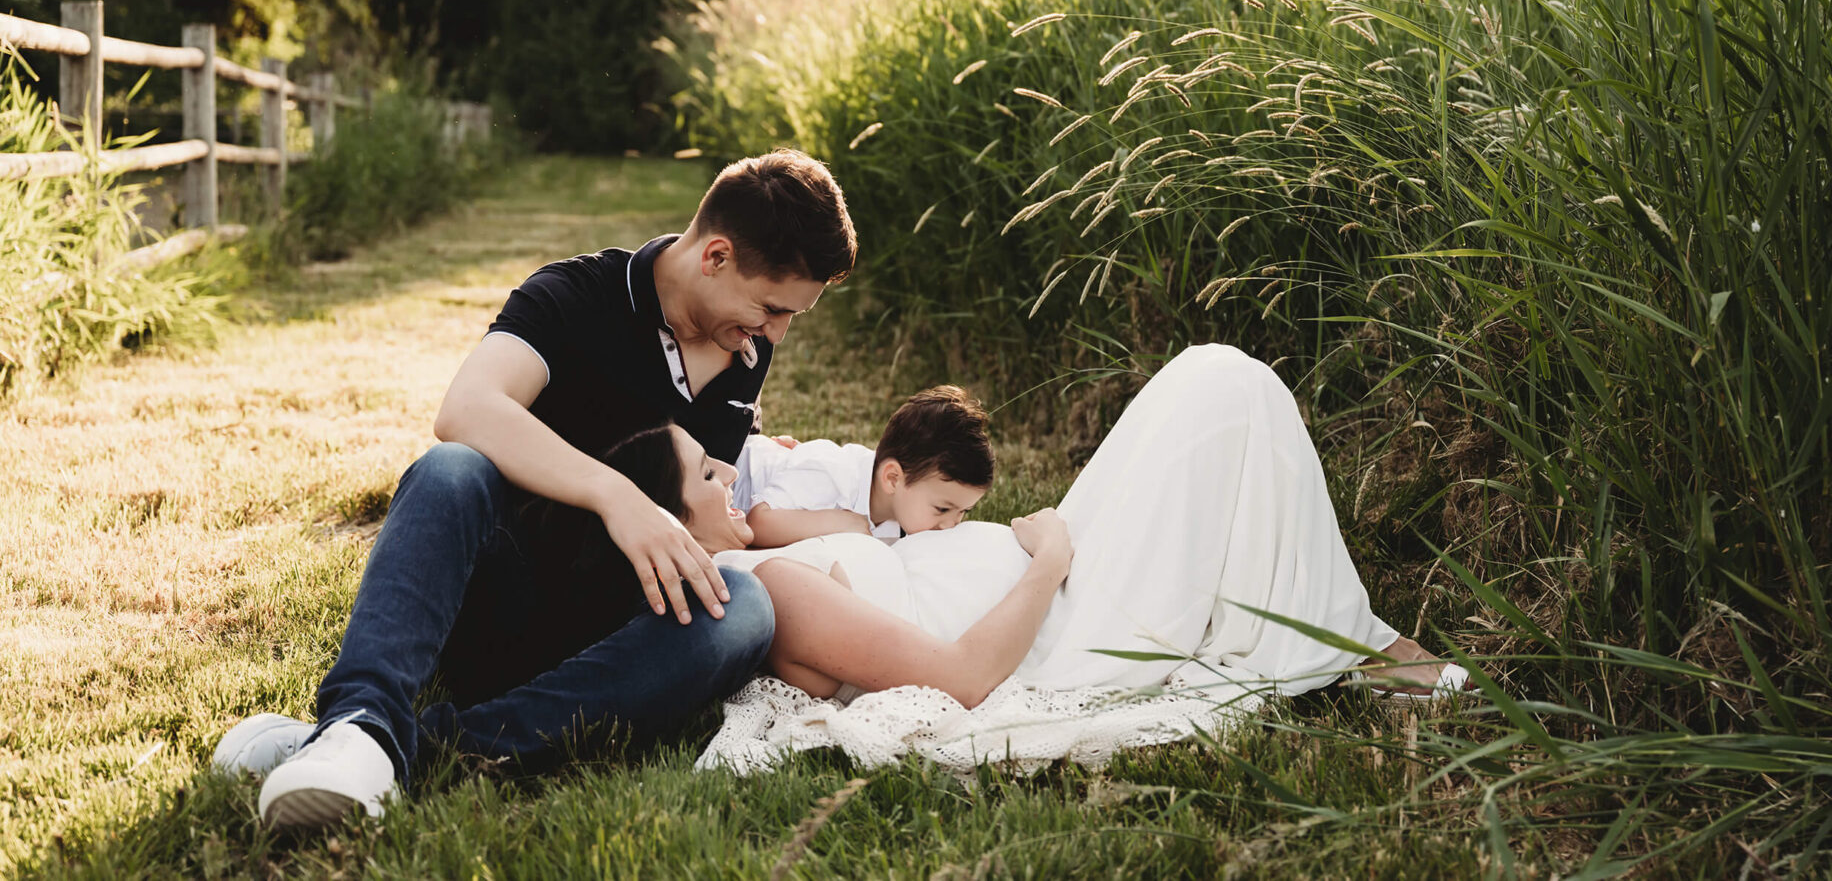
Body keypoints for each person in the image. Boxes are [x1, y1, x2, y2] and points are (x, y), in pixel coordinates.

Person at [210, 150, 857, 829]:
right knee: (451, 469)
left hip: (618, 635)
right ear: (716, 256)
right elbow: (466, 408)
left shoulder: (746, 347)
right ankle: (365, 715)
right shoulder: (575, 296)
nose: (777, 332)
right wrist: (617, 496)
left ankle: (382, 747)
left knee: (745, 610)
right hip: (502, 597)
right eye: (771, 307)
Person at [595, 344, 1467, 758]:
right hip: (1067, 620)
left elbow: (835, 515)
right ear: (665, 520)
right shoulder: (765, 589)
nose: (728, 475)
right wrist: (1049, 556)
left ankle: (1353, 634)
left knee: (1219, 381)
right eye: (708, 475)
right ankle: (1366, 642)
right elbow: (961, 678)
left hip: (1056, 575)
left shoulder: (772, 545)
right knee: (1225, 386)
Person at [740, 385, 994, 547]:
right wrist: (841, 524)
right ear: (893, 479)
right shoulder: (834, 475)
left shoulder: (900, 519)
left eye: (963, 512)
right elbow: (756, 524)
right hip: (723, 473)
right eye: (942, 509)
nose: (951, 525)